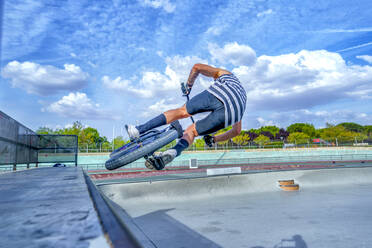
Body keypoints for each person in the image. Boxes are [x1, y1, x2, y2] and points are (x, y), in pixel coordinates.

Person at [126, 63, 247, 168]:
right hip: (235, 112)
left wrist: (189, 86)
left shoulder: (225, 75)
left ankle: (138, 130)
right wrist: (214, 139)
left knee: (182, 111)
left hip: (221, 92)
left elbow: (197, 67)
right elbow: (236, 131)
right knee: (192, 131)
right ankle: (174, 151)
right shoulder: (242, 98)